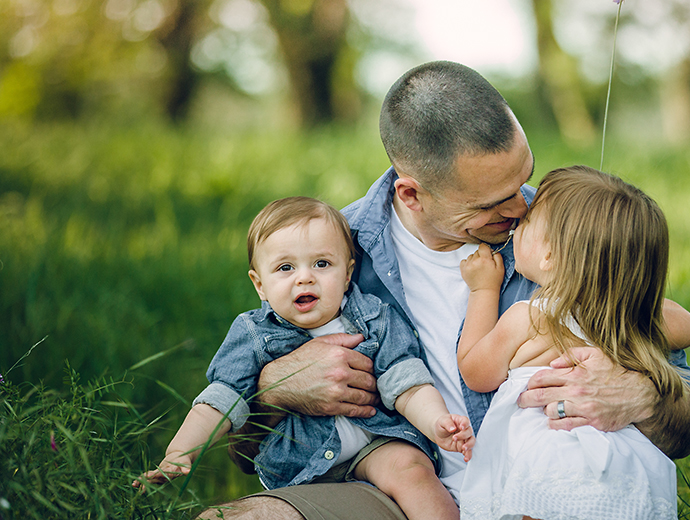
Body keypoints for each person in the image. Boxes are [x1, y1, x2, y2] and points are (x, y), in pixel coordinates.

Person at [199, 61, 690, 520]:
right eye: (492, 202)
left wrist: (644, 397)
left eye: (522, 182)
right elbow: (241, 452)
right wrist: (273, 393)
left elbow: (685, 426)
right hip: (396, 490)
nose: (522, 208)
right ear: (412, 193)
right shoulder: (323, 257)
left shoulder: (564, 240)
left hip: (546, 491)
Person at [134, 197, 474, 520]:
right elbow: (221, 399)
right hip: (304, 465)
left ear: (347, 273)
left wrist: (436, 422)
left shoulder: (374, 317)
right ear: (260, 285)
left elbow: (405, 380)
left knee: (413, 472)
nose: (305, 276)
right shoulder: (254, 335)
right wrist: (181, 452)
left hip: (377, 442)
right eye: (285, 267)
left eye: (322, 264)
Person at [457, 166, 690, 519]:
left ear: (550, 256)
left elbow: (475, 371)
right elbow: (688, 327)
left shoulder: (529, 318)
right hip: (624, 459)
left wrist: (484, 289)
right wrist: (626, 294)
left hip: (548, 455)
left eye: (527, 222)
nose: (518, 222)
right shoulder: (626, 320)